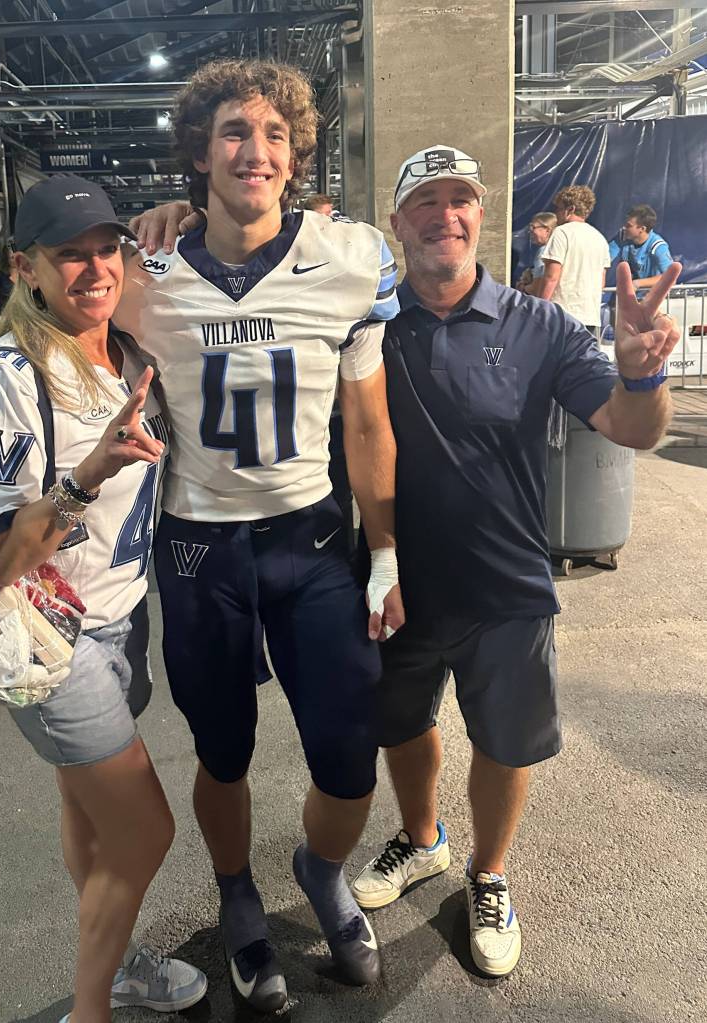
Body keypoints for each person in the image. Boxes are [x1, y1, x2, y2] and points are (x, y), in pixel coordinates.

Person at [337, 146, 679, 979]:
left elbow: (632, 429)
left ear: (480, 214)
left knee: (505, 741)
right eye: (424, 202)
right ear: (397, 223)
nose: (443, 216)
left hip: (507, 585)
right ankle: (422, 838)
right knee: (401, 725)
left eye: (459, 199)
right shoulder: (366, 325)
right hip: (395, 581)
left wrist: (643, 375)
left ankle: (487, 872)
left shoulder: (539, 325)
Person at [115, 59, 404, 1010]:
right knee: (222, 749)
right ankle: (236, 889)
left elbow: (366, 424)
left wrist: (384, 553)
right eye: (234, 131)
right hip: (199, 546)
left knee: (348, 755)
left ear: (296, 154)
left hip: (310, 540)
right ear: (199, 152)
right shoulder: (143, 272)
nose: (257, 149)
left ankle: (320, 869)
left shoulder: (349, 258)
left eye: (275, 134)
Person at [0, 176, 207, 1023]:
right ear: (25, 268)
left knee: (88, 810)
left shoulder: (127, 349)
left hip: (120, 619)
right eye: (69, 254)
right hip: (46, 637)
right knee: (145, 830)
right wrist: (87, 473)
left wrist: (186, 213)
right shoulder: (10, 374)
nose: (94, 268)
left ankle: (119, 959)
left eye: (107, 248)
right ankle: (91, 1009)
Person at [538, 184, 611, 335]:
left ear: (570, 210)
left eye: (559, 208)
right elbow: (601, 282)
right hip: (590, 318)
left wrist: (540, 309)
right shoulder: (600, 239)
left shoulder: (561, 233)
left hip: (562, 316)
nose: (556, 214)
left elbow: (551, 277)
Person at [608, 204, 673, 291]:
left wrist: (637, 283)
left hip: (651, 295)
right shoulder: (622, 236)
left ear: (642, 229)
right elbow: (605, 259)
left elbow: (671, 278)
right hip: (627, 292)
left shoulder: (658, 246)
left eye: (629, 225)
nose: (624, 227)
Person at [516, 211, 556, 295]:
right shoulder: (557, 249)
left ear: (547, 230)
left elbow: (537, 288)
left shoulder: (543, 252)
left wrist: (522, 287)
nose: (530, 231)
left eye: (533, 227)